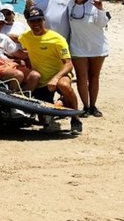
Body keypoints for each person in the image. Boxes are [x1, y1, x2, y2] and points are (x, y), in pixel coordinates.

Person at [18, 7, 82, 135]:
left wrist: (56, 78)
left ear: (44, 20)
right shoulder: (25, 37)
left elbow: (68, 64)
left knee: (64, 85)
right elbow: (16, 41)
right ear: (28, 23)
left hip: (60, 75)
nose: (36, 24)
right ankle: (60, 103)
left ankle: (75, 119)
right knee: (44, 121)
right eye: (32, 21)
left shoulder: (57, 39)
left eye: (39, 20)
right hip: (41, 81)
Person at [66, 0, 109, 117]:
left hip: (97, 47)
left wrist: (100, 10)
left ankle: (93, 106)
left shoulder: (94, 5)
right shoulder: (69, 4)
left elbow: (102, 24)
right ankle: (85, 106)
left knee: (94, 77)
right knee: (81, 78)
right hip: (77, 47)